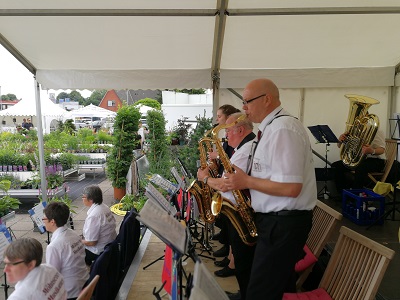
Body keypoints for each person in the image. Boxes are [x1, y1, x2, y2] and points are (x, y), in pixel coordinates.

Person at [223, 78, 317, 299]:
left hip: (283, 223)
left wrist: (246, 182)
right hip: (276, 222)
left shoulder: (283, 129)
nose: (243, 108)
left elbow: (291, 188)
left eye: (247, 102)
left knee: (260, 292)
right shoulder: (271, 129)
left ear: (267, 99)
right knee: (278, 288)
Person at [198, 112, 256, 300]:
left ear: (240, 130)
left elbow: (225, 185)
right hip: (239, 209)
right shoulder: (244, 148)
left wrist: (205, 178)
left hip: (242, 213)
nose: (226, 137)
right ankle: (244, 293)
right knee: (241, 259)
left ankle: (246, 295)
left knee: (243, 260)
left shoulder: (245, 151)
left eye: (228, 132)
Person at [208, 104, 240, 273]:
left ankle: (233, 262)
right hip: (226, 185)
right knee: (228, 227)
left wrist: (218, 156)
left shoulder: (241, 142)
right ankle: (229, 255)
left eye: (219, 116)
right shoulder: (231, 139)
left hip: (233, 191)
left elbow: (231, 161)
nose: (217, 120)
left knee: (234, 231)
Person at [43, 202, 89, 300]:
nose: (43, 221)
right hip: (84, 284)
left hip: (71, 294)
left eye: (44, 219)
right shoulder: (73, 233)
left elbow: (52, 278)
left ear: (52, 222)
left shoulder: (54, 246)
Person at [332, 129, 385, 195]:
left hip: (375, 159)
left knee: (360, 167)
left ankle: (356, 196)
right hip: (358, 159)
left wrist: (371, 151)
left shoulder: (377, 131)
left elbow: (382, 150)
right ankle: (342, 195)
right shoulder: (354, 129)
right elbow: (340, 146)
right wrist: (340, 141)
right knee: (336, 166)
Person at [81, 185, 117, 266]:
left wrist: (78, 241)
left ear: (91, 199)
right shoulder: (105, 207)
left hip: (99, 250)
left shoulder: (94, 216)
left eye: (83, 197)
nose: (82, 199)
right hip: (110, 245)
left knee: (73, 250)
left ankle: (86, 272)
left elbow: (92, 242)